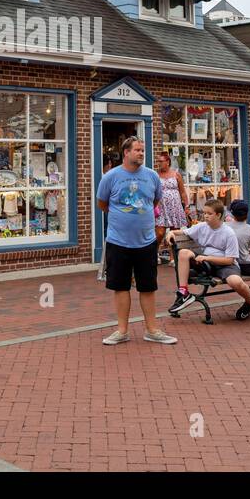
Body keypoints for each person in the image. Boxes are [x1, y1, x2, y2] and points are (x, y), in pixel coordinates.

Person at [96, 137, 178, 345]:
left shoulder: (151, 176)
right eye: (137, 150)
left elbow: (155, 201)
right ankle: (122, 331)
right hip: (118, 241)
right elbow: (102, 203)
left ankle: (152, 330)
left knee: (147, 286)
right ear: (126, 152)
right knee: (120, 286)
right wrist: (123, 216)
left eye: (143, 150)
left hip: (146, 241)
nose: (141, 153)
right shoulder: (111, 177)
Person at [168, 200, 250, 321]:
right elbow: (182, 231)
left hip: (225, 265)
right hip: (206, 265)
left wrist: (207, 257)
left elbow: (229, 260)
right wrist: (170, 233)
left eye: (209, 213)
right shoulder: (201, 227)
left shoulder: (229, 233)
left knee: (236, 282)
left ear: (218, 215)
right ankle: (183, 293)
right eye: (204, 213)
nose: (205, 216)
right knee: (183, 253)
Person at [153, 150, 191, 266]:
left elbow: (182, 192)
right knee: (159, 233)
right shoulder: (155, 175)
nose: (159, 163)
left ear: (168, 162)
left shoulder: (176, 174)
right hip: (161, 207)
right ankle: (154, 254)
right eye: (158, 161)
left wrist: (186, 205)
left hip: (175, 207)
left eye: (161, 161)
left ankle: (172, 257)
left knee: (174, 232)